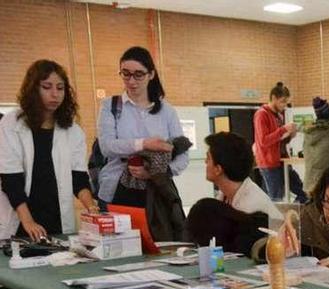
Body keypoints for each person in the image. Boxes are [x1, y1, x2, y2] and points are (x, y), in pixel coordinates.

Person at [0, 60, 97, 240]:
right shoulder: (11, 123)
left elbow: (79, 178)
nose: (55, 94)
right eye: (47, 87)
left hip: (58, 220)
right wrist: (28, 222)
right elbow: (10, 180)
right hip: (21, 221)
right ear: (33, 89)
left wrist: (92, 208)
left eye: (60, 88)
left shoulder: (72, 130)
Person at [97, 46, 188, 210]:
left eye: (138, 74)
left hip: (156, 194)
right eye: (126, 74)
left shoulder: (166, 111)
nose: (131, 81)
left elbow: (182, 154)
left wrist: (156, 173)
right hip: (114, 190)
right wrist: (144, 144)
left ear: (151, 74)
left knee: (158, 236)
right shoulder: (110, 106)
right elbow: (107, 147)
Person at [186, 132, 279, 253]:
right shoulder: (225, 195)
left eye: (208, 158)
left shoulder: (251, 205)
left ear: (218, 169)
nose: (205, 162)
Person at [253, 81, 307, 202]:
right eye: (282, 102)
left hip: (282, 160)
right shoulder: (261, 114)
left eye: (286, 103)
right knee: (276, 199)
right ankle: (275, 219)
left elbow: (279, 140)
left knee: (303, 191)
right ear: (273, 98)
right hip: (269, 163)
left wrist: (290, 135)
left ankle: (291, 215)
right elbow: (263, 141)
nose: (284, 106)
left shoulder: (279, 116)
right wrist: (283, 129)